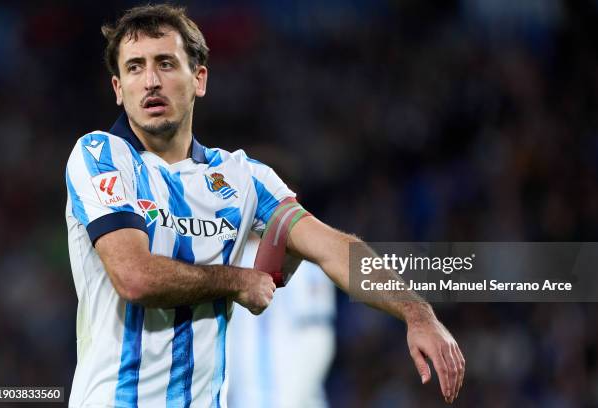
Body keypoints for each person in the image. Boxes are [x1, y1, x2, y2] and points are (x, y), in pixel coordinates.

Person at [65, 4, 464, 407]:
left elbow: (333, 248)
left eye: (166, 64)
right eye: (134, 68)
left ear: (199, 78)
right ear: (118, 88)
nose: (150, 81)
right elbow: (135, 277)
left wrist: (417, 314)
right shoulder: (100, 155)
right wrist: (238, 281)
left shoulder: (243, 177)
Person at [228, 235, 336, 408]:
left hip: (282, 396)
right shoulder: (229, 259)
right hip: (245, 396)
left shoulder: (304, 261)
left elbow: (317, 338)